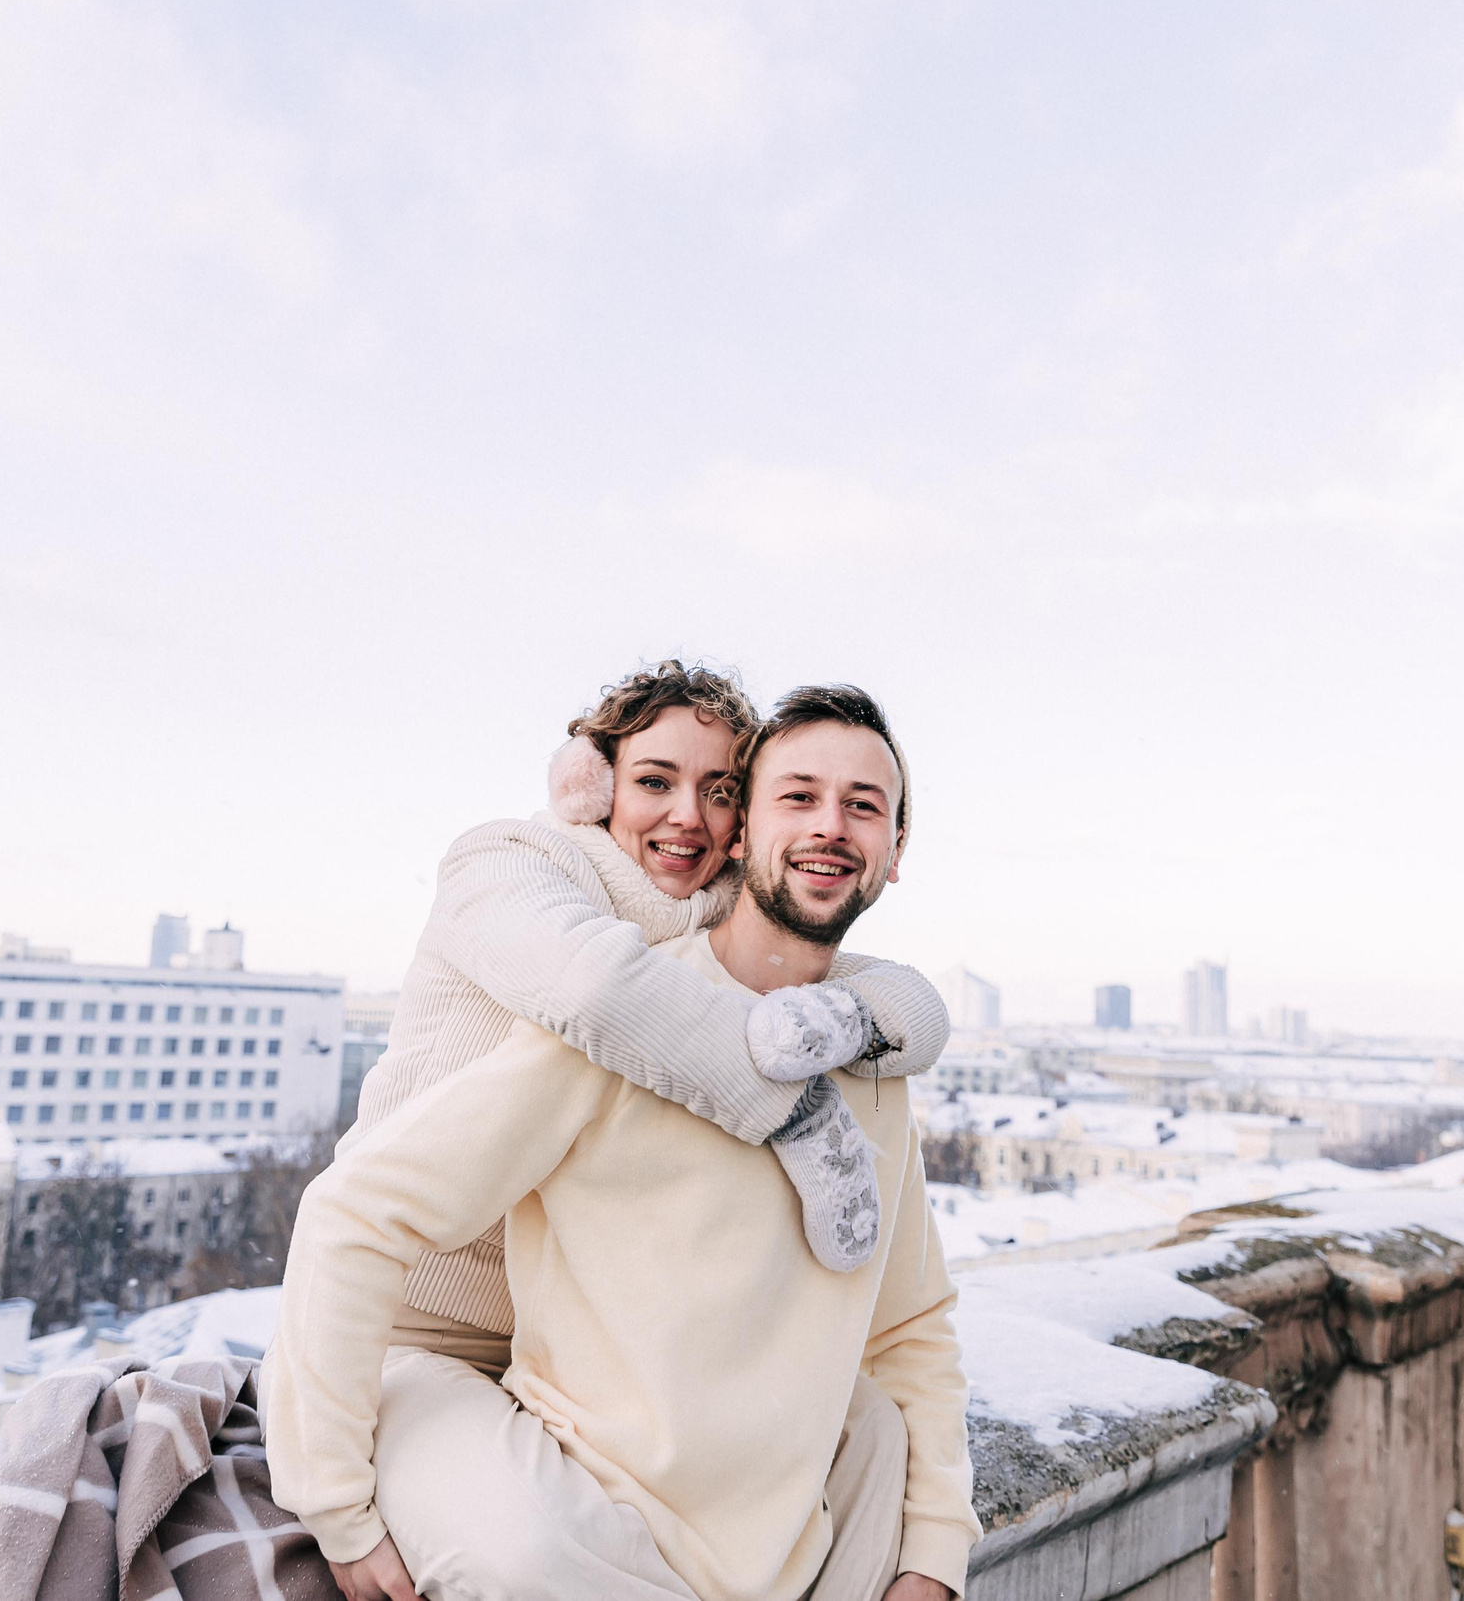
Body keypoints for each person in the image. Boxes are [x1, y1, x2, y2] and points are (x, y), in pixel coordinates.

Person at [269, 686, 976, 1601]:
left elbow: (912, 1324)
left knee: (875, 1428)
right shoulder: (585, 966)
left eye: (863, 805)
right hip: (428, 1343)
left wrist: (934, 1554)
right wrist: (334, 1503)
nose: (831, 826)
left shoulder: (869, 1043)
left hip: (640, 1421)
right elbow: (358, 1210)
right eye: (797, 795)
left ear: (895, 850)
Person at [348, 661, 953, 1381]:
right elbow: (595, 988)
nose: (688, 815)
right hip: (405, 1308)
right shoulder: (506, 863)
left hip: (558, 1345)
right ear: (591, 786)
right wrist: (799, 1113)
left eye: (721, 791)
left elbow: (885, 987)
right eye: (654, 781)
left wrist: (858, 1017)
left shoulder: (712, 906)